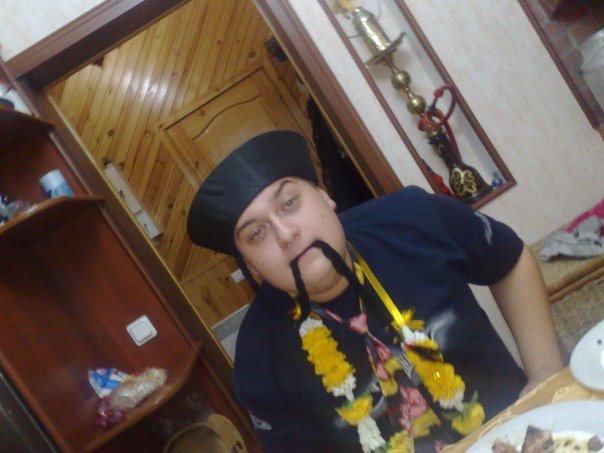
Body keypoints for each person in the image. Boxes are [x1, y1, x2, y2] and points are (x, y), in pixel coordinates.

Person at [187, 130, 563, 452]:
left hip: (527, 435)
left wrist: (544, 372)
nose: (286, 234)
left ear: (323, 194)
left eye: (289, 203)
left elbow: (509, 260)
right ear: (250, 265)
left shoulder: (411, 218)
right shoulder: (258, 357)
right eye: (257, 233)